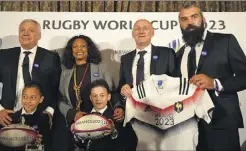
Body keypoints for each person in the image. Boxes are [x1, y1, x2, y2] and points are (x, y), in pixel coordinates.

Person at [176, 3, 246, 151]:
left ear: (204, 19)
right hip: (187, 127)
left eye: (194, 16)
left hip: (221, 122)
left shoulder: (225, 41)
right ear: (180, 23)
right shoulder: (178, 54)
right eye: (184, 19)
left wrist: (216, 83)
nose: (189, 22)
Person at [0, 19, 61, 151]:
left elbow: (56, 89)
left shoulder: (51, 57)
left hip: (39, 122)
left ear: (39, 35)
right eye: (22, 30)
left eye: (31, 30)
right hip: (6, 120)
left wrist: (48, 113)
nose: (26, 33)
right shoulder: (4, 55)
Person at [118, 19, 177, 150]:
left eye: (145, 28)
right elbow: (121, 84)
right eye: (137, 28)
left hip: (160, 115)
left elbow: (176, 83)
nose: (141, 31)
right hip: (133, 114)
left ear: (152, 32)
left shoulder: (166, 54)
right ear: (132, 34)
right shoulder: (125, 58)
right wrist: (123, 88)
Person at [58, 35, 123, 150]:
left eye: (83, 46)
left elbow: (112, 91)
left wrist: (118, 106)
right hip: (74, 124)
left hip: (99, 123)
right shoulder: (64, 73)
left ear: (89, 49)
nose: (79, 49)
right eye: (75, 46)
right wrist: (73, 114)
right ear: (70, 50)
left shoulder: (101, 68)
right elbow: (60, 99)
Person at [0, 81, 52, 151]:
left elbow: (46, 146)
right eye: (25, 97)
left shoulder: (44, 119)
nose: (28, 101)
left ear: (41, 99)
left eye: (32, 97)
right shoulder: (10, 117)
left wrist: (35, 144)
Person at [71, 79, 122, 151]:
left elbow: (128, 142)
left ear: (108, 97)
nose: (98, 99)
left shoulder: (117, 116)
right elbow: (82, 145)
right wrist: (76, 135)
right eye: (94, 96)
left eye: (102, 95)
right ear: (90, 98)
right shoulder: (84, 118)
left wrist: (113, 132)